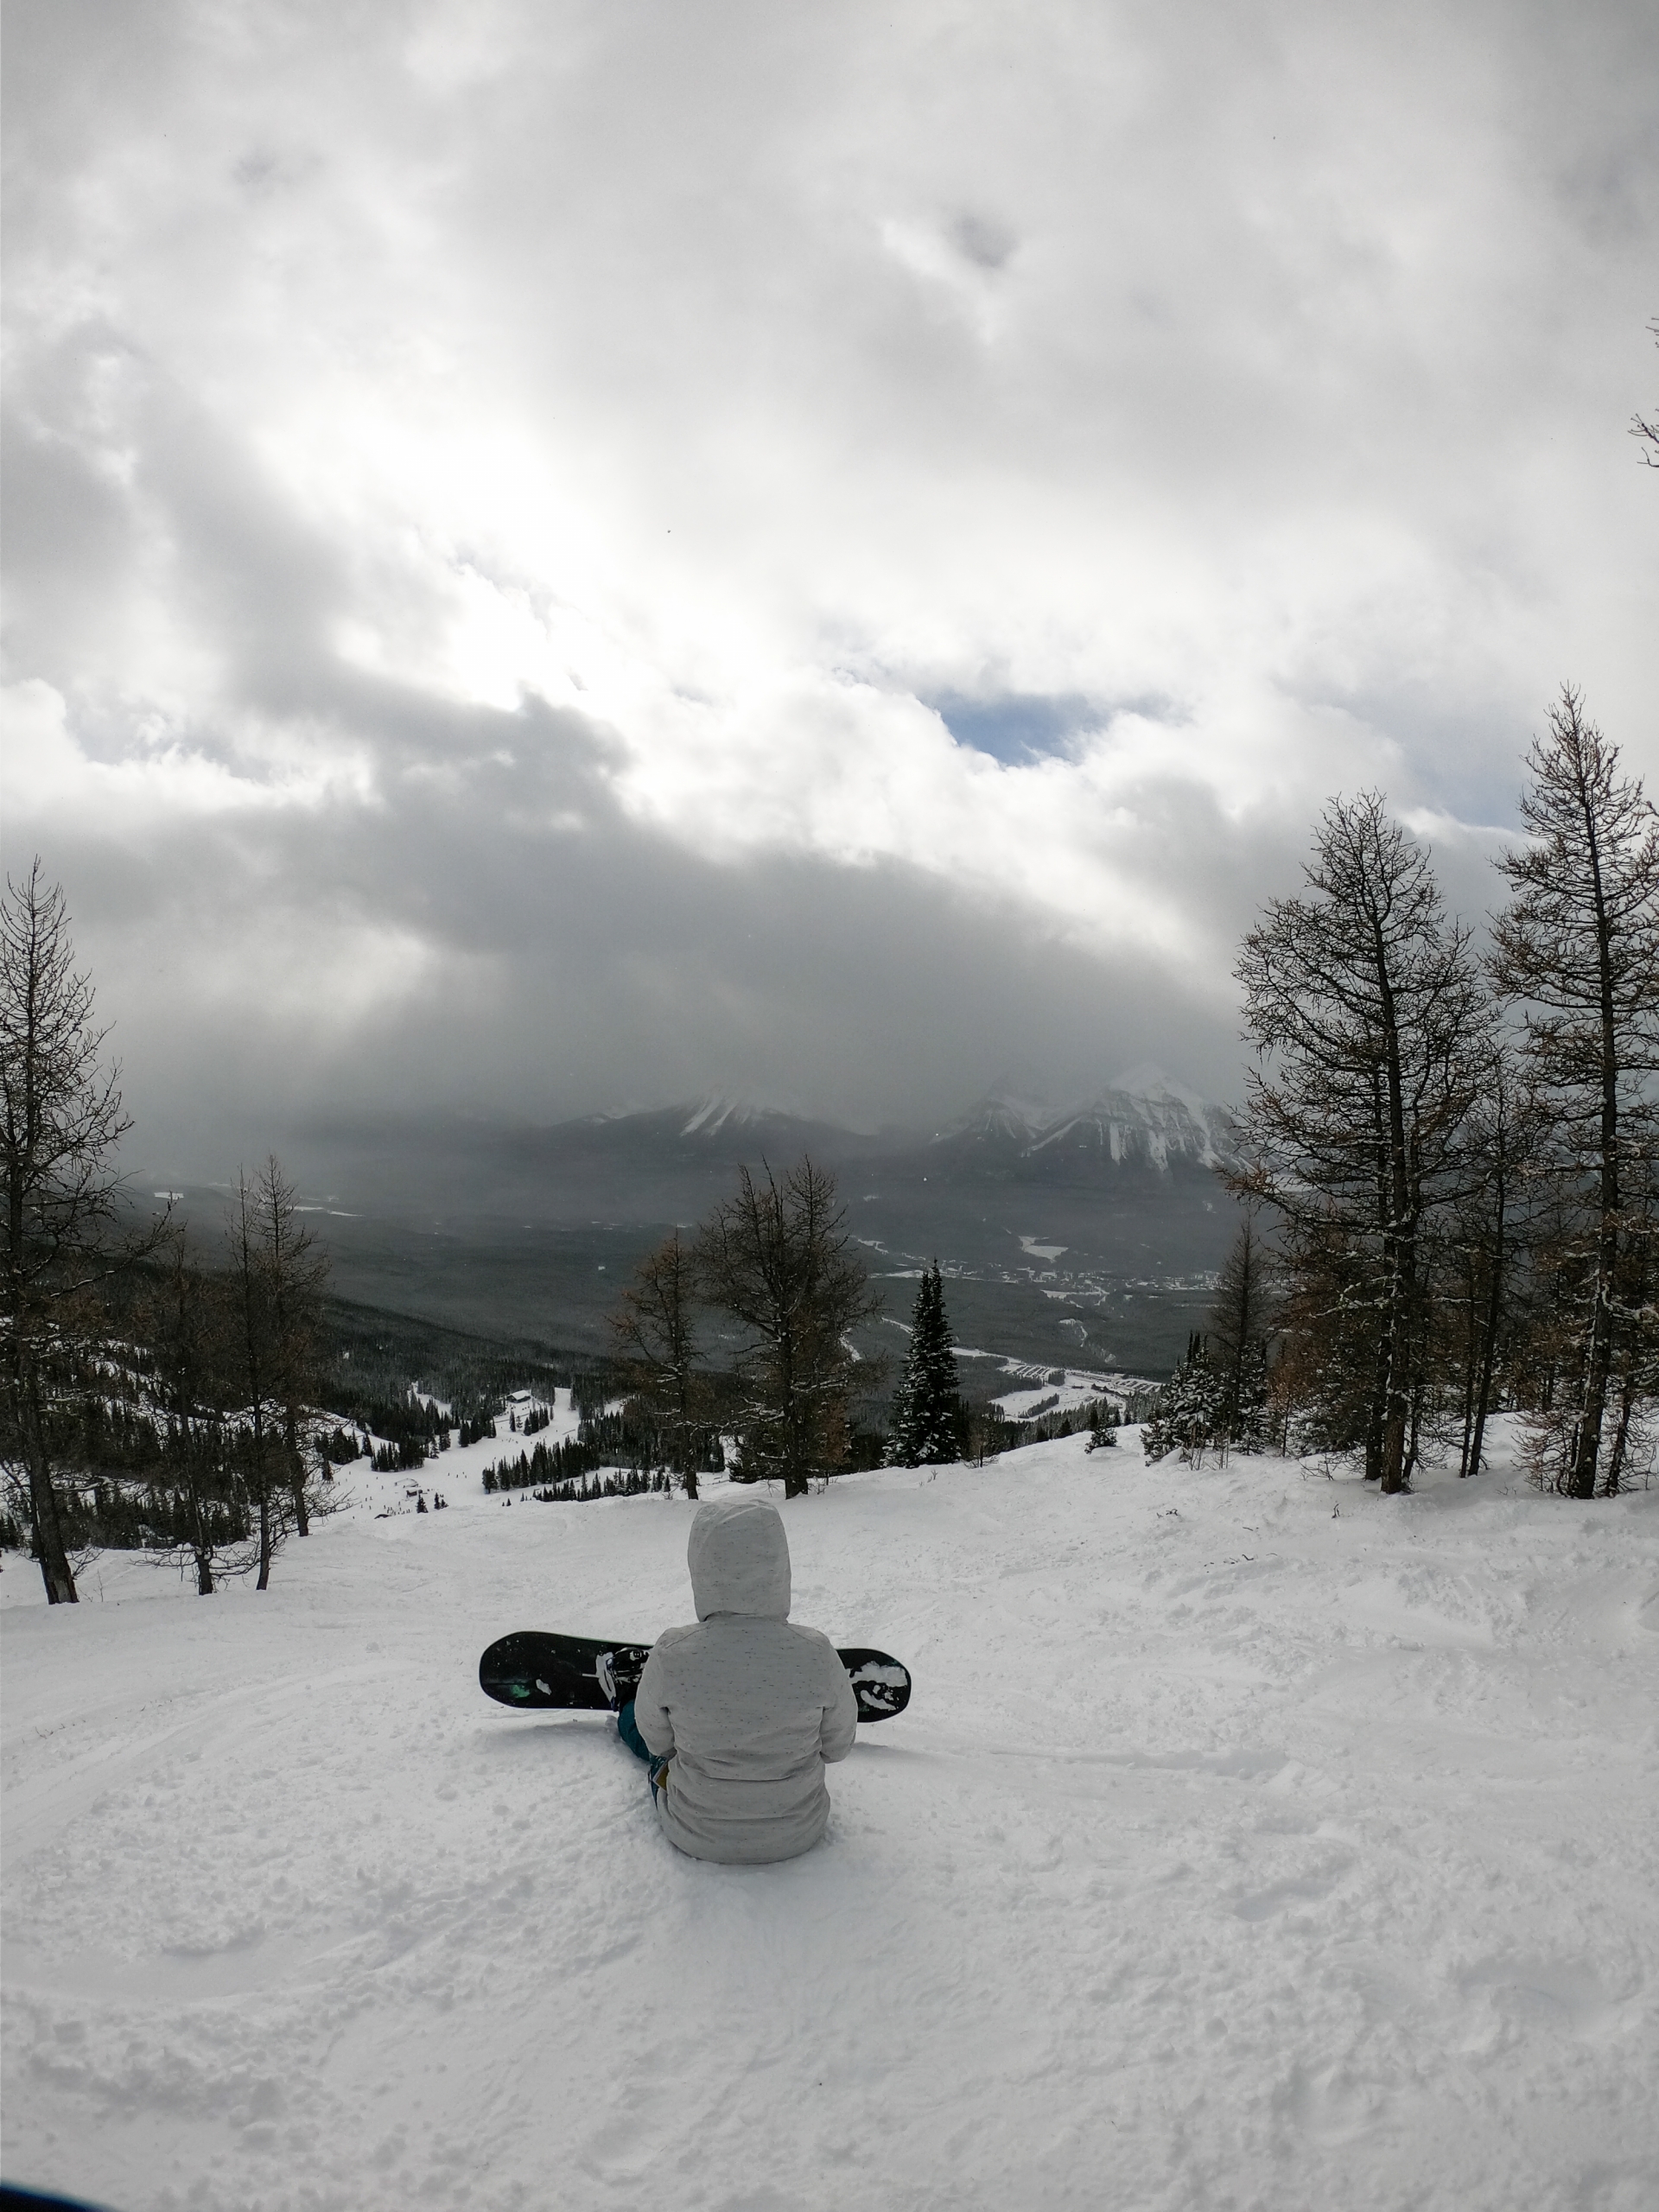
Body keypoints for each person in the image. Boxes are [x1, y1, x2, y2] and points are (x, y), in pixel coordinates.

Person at [616, 1491, 858, 1864]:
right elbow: (836, 1748)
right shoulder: (816, 1651)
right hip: (800, 1831)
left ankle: (622, 1700)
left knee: (637, 1721)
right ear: (779, 1567)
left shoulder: (672, 1651)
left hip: (694, 1831)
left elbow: (659, 1744)